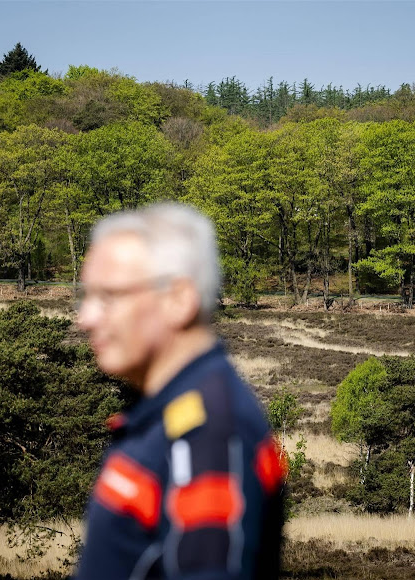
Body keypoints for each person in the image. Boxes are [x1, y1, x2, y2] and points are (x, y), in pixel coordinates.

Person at [75, 203, 286, 580]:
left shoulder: (209, 436)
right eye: (86, 296)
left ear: (178, 299)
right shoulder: (168, 416)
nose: (85, 318)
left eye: (109, 296)